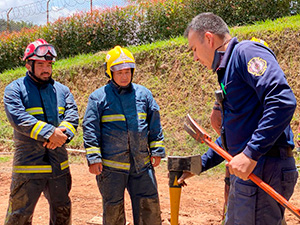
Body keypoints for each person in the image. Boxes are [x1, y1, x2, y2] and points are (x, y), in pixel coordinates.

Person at [178, 12, 298, 225]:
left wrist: (251, 153)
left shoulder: (245, 52)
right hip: (250, 171)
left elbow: (282, 100)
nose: (195, 57)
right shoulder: (227, 70)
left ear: (209, 38)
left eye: (194, 49)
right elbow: (235, 135)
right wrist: (197, 166)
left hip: (263, 167)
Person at [82, 46, 165, 225]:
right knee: (113, 212)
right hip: (111, 169)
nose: (124, 76)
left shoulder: (144, 95)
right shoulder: (98, 98)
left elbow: (155, 124)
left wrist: (157, 149)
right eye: (119, 72)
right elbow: (90, 128)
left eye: (128, 71)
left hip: (142, 166)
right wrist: (94, 158)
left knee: (149, 208)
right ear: (110, 73)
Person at [4, 38, 79, 225]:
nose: (46, 69)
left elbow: (72, 117)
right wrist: (49, 133)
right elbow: (19, 118)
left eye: (49, 64)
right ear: (29, 65)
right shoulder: (14, 89)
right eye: (41, 64)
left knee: (62, 212)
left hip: (58, 166)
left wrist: (61, 135)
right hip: (28, 167)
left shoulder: (62, 91)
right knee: (19, 216)